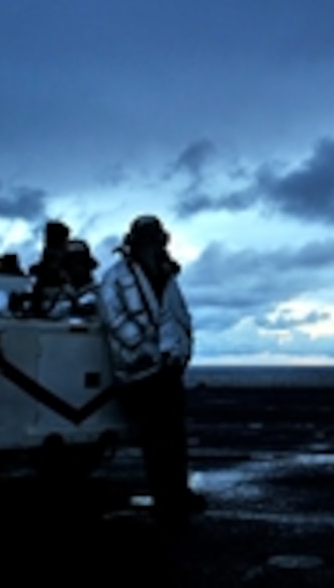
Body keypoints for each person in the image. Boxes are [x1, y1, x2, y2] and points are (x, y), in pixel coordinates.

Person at [98, 214, 206, 528]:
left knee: (173, 436)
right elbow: (116, 323)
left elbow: (177, 319)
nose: (154, 246)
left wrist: (178, 354)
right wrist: (151, 353)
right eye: (150, 241)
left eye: (156, 241)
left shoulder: (166, 277)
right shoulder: (115, 278)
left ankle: (177, 493)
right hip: (140, 372)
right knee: (158, 439)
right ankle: (166, 500)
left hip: (166, 369)